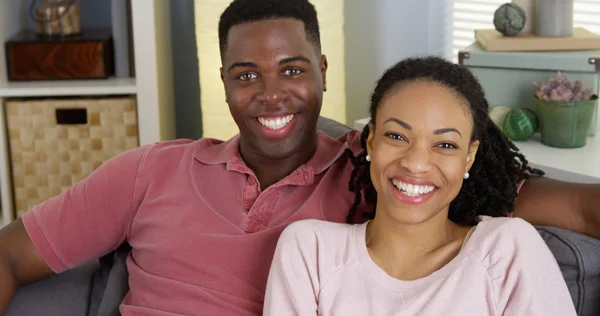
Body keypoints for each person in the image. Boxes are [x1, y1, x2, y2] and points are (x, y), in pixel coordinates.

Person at [0, 0, 596, 315]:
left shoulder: (383, 175)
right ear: (226, 83)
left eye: (292, 69)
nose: (270, 94)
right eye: (246, 75)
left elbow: (574, 207)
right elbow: (9, 256)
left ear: (322, 73)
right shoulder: (147, 171)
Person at [263, 56, 577, 315]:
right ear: (371, 141)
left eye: (446, 145)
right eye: (397, 136)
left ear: (469, 157)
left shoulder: (505, 249)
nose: (415, 163)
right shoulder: (310, 251)